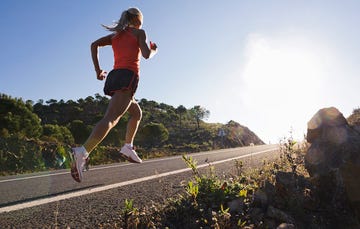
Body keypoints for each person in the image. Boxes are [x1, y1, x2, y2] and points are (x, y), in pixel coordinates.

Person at [70, 7, 157, 182]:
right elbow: (146, 55)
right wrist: (154, 49)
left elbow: (94, 44)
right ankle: (83, 151)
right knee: (111, 118)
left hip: (114, 76)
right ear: (138, 20)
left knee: (136, 113)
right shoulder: (139, 32)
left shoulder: (115, 36)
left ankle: (128, 146)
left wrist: (97, 71)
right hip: (128, 76)